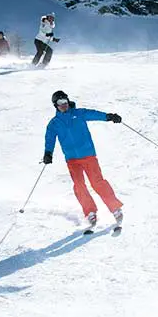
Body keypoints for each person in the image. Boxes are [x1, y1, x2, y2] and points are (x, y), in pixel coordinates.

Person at [43, 90, 124, 228]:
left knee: (97, 182)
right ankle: (90, 212)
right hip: (72, 159)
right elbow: (50, 138)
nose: (64, 105)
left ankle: (115, 208)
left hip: (88, 155)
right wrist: (48, 153)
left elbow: (94, 114)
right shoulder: (54, 123)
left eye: (65, 101)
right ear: (55, 105)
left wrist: (109, 117)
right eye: (60, 103)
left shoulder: (79, 113)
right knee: (79, 186)